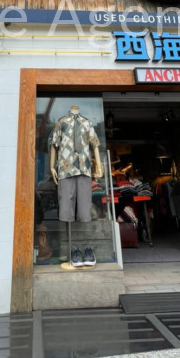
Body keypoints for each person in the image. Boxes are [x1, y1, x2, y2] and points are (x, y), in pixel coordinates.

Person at [49, 106, 103, 267]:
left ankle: (87, 248)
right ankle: (70, 250)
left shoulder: (87, 123)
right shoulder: (61, 122)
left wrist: (98, 165)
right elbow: (54, 144)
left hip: (84, 169)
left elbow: (95, 145)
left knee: (85, 210)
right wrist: (52, 166)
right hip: (65, 170)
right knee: (66, 209)